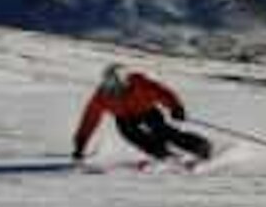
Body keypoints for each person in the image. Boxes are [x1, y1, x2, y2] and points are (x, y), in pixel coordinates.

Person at [72, 64, 212, 162]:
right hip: (125, 118)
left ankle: (199, 145)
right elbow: (89, 119)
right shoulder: (102, 95)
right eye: (107, 82)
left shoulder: (140, 84)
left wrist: (175, 107)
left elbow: (163, 93)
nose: (110, 86)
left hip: (147, 111)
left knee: (161, 131)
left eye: (114, 82)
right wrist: (81, 143)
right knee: (131, 134)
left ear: (124, 80)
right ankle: (162, 154)